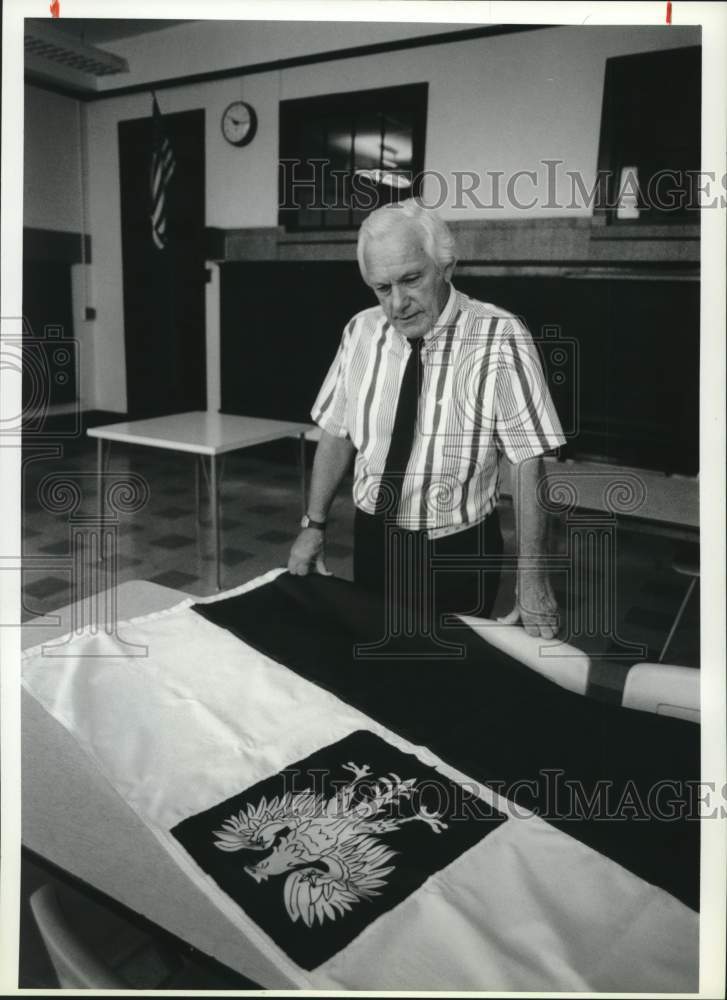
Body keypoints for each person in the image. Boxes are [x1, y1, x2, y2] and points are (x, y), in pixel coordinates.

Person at [288, 199, 565, 640]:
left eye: (411, 279)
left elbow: (528, 461)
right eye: (382, 288)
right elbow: (336, 435)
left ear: (446, 267)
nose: (397, 304)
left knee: (450, 679)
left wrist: (531, 577)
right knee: (377, 661)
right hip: (374, 538)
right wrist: (313, 526)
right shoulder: (359, 331)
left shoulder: (500, 336)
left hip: (458, 551)